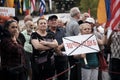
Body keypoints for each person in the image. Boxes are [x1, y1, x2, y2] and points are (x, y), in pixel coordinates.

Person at [47, 15, 68, 80]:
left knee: (63, 76)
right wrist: (56, 49)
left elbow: (66, 40)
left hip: (62, 57)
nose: (54, 21)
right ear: (48, 22)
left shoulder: (62, 30)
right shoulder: (45, 32)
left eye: (55, 20)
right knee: (50, 76)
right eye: (51, 20)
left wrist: (60, 47)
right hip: (50, 58)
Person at [65, 7, 82, 80]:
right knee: (75, 69)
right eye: (79, 13)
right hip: (75, 48)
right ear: (77, 14)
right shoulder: (75, 24)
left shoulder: (69, 22)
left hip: (70, 48)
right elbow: (78, 36)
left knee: (73, 68)